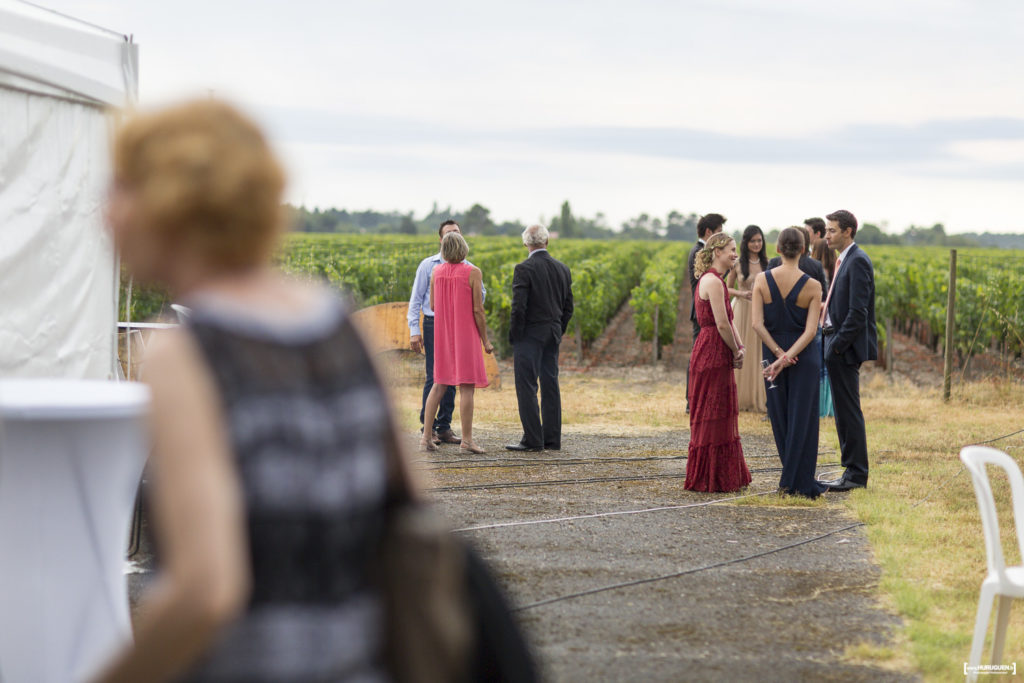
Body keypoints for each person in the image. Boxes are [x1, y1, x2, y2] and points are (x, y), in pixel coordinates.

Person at [97, 100, 408, 681]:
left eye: (120, 188)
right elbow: (408, 513)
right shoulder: (339, 325)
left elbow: (205, 592)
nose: (106, 213)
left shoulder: (185, 354)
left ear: (171, 201)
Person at [752, 228, 826, 498]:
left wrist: (778, 355)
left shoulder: (761, 279)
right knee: (802, 418)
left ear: (778, 249)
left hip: (771, 355)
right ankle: (797, 480)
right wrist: (788, 357)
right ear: (804, 250)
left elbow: (756, 324)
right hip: (803, 356)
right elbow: (811, 331)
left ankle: (790, 478)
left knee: (779, 415)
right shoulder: (814, 286)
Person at [408, 219, 485, 446]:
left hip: (458, 322)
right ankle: (428, 428)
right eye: (450, 233)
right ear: (441, 239)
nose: (454, 236)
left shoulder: (469, 267)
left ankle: (443, 427)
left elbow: (481, 296)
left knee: (451, 380)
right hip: (435, 323)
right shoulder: (428, 266)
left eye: (457, 232)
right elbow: (416, 300)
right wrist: (414, 330)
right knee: (436, 376)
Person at [685, 232, 751, 493]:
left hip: (716, 348)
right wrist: (736, 350)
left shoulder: (717, 280)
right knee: (712, 412)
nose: (735, 254)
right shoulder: (712, 281)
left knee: (720, 411)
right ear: (717, 252)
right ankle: (711, 476)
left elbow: (729, 322)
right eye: (731, 250)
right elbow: (722, 323)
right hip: (712, 349)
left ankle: (722, 474)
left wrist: (739, 347)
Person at [817, 209, 877, 492]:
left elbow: (858, 313)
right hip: (835, 342)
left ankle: (856, 474)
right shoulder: (844, 259)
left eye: (832, 230)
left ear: (848, 231)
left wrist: (837, 346)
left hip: (844, 348)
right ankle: (851, 471)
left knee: (848, 411)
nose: (827, 235)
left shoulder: (858, 260)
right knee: (842, 411)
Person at [506, 224, 573, 452]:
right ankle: (552, 440)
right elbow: (568, 307)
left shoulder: (523, 268)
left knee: (526, 386)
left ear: (525, 243)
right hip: (552, 333)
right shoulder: (563, 269)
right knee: (550, 384)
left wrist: (515, 335)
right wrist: (558, 329)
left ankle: (533, 440)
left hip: (529, 335)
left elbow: (519, 307)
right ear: (547, 241)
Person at [686, 213, 726, 413]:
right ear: (709, 232)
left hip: (704, 311)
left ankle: (697, 398)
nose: (721, 236)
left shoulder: (700, 250)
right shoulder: (699, 252)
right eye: (719, 232)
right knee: (698, 357)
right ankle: (692, 400)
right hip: (703, 312)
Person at [726, 225, 768, 412]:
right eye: (753, 241)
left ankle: (757, 396)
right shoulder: (737, 263)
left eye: (759, 240)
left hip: (760, 311)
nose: (757, 244)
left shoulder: (768, 263)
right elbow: (726, 288)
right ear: (746, 243)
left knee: (758, 353)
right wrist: (741, 293)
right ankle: (739, 397)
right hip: (741, 310)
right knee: (742, 351)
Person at [766, 225, 827, 292]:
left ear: (778, 248)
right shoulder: (816, 266)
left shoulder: (773, 262)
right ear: (803, 247)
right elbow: (823, 294)